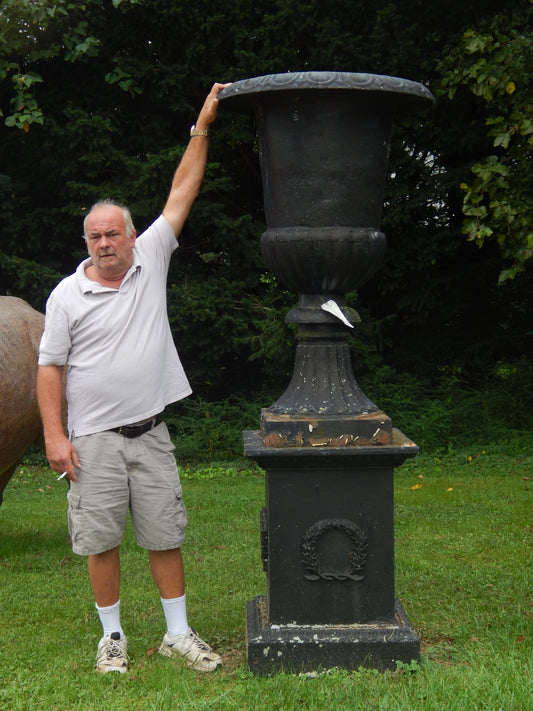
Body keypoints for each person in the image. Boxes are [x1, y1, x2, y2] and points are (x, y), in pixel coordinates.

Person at [36, 82, 231, 674]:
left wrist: (202, 127)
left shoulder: (151, 259)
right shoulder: (67, 295)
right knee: (99, 541)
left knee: (164, 533)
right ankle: (112, 637)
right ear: (87, 242)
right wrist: (54, 435)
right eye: (94, 237)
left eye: (112, 234)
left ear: (129, 234)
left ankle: (177, 633)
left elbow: (181, 193)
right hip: (91, 439)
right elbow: (50, 368)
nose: (104, 244)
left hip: (151, 432)